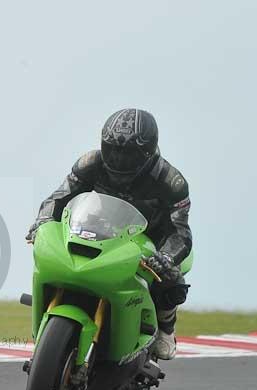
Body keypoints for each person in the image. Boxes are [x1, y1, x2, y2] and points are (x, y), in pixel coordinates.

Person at [26, 108, 192, 360]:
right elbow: (58, 198)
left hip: (151, 236)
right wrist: (42, 220)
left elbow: (180, 231)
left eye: (128, 153)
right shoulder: (90, 163)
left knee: (171, 279)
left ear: (147, 151)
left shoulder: (171, 181)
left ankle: (166, 328)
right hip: (102, 225)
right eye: (112, 148)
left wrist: (167, 257)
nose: (117, 158)